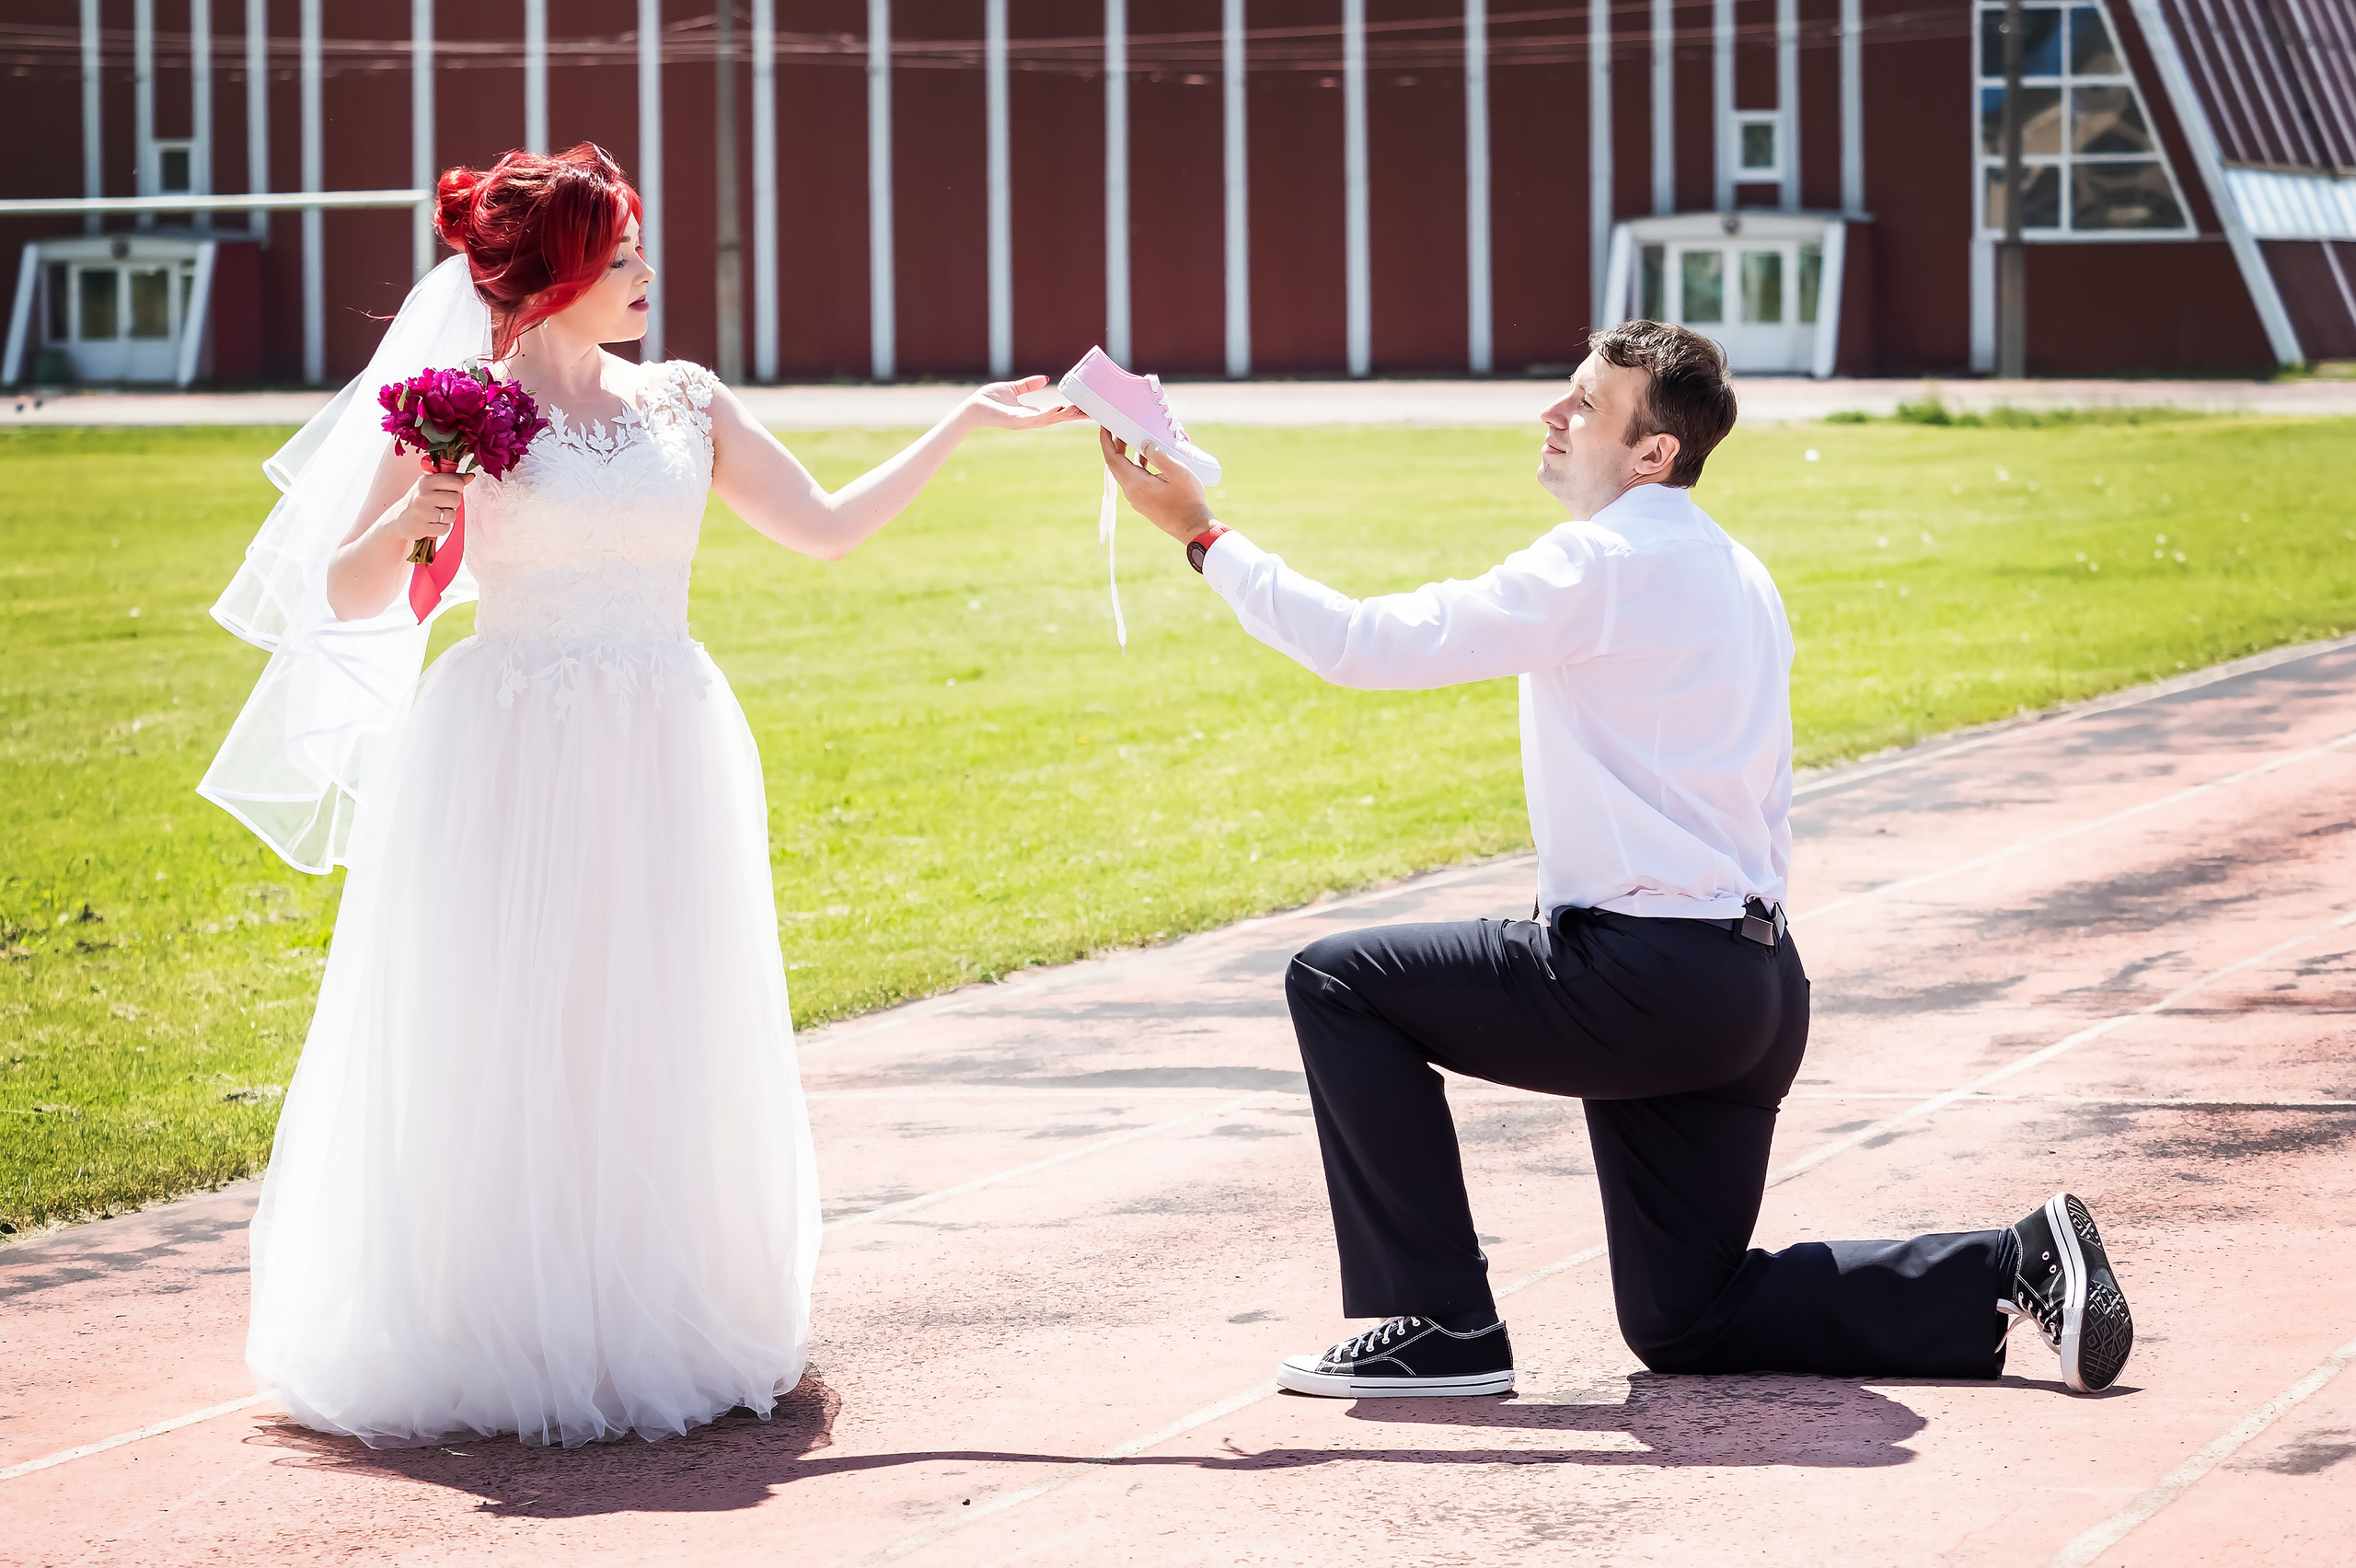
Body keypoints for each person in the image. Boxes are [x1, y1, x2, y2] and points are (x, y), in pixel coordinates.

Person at [202, 144, 1078, 1448]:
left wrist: (957, 425)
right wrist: (416, 514)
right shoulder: (457, 408)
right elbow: (345, 592)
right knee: (515, 1025)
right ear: (551, 279)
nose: (645, 274)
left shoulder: (687, 400)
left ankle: (647, 1309)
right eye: (617, 258)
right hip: (508, 747)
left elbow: (825, 527)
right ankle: (505, 1322)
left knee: (658, 1016)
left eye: (637, 251)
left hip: (664, 738)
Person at [1097, 321, 2134, 1399]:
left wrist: (1203, 535)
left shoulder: (1600, 561)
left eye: (1586, 402)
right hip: (1752, 986)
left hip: (1646, 977)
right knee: (1687, 1318)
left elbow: (1365, 643)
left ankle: (1444, 1328)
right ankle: (2007, 1261)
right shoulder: (1738, 569)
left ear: (1653, 453)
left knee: (1339, 982)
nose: (1554, 413)